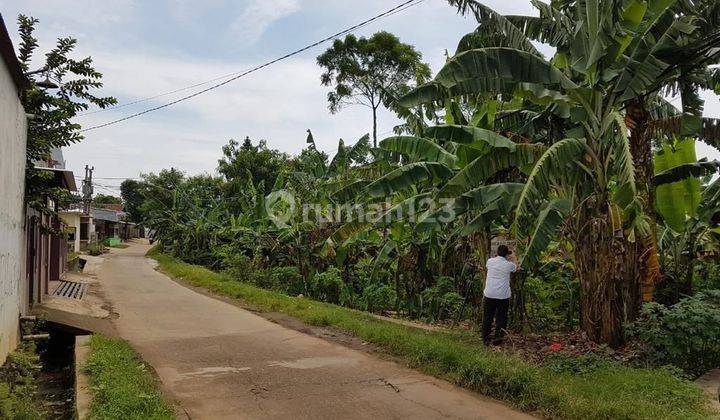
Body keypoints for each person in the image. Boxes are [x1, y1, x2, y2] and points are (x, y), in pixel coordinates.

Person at [482, 244, 517, 345]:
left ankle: (485, 339)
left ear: (497, 253)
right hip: (503, 296)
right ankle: (497, 340)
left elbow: (489, 266)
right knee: (501, 317)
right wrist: (513, 256)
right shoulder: (509, 265)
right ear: (506, 255)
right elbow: (516, 267)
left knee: (488, 316)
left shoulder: (490, 261)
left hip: (489, 294)